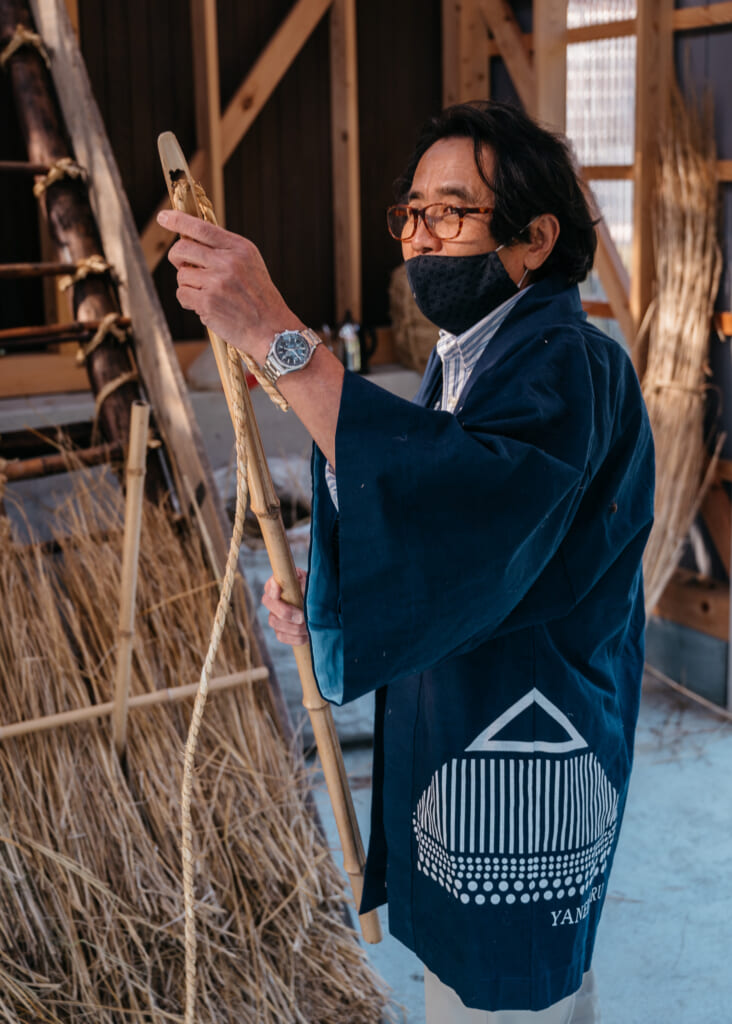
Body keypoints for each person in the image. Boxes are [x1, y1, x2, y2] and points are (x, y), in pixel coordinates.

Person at [159, 101, 654, 1023]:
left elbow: (469, 508)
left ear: (535, 239)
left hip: (524, 726)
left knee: (511, 986)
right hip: (456, 718)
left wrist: (276, 335)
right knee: (465, 982)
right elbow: (421, 524)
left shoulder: (572, 364)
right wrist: (338, 594)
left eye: (451, 212)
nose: (420, 235)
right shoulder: (467, 357)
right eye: (412, 212)